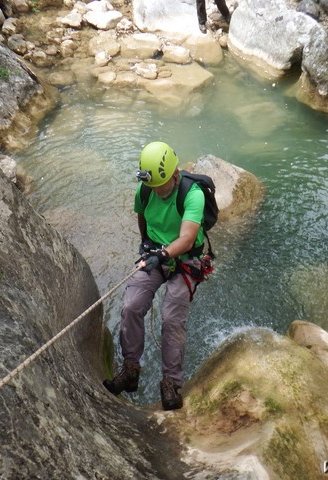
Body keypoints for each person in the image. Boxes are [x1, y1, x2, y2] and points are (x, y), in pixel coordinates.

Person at [103, 141, 206, 411]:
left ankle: (171, 383)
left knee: (172, 317)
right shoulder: (146, 190)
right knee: (131, 306)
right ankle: (130, 370)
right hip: (156, 254)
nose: (156, 192)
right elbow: (142, 216)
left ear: (174, 175)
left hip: (185, 260)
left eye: (160, 187)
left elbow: (187, 238)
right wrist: (146, 244)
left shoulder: (192, 195)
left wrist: (161, 255)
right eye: (152, 187)